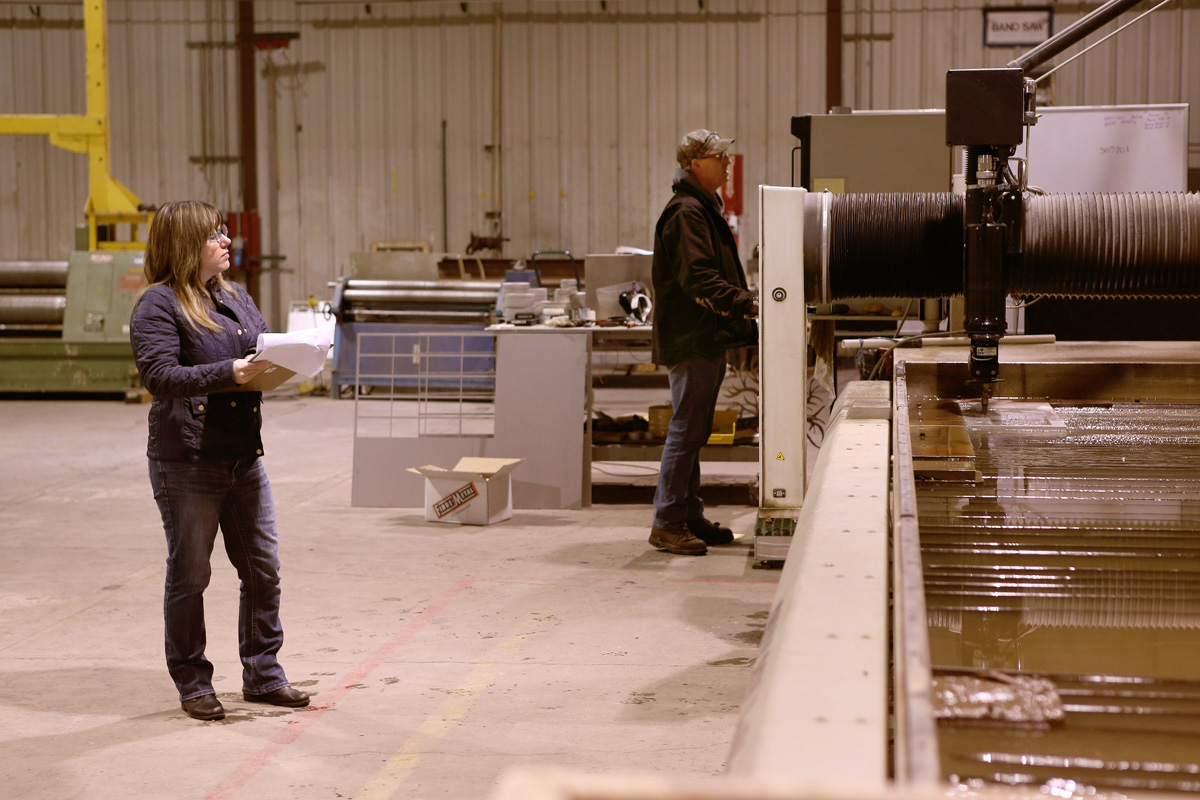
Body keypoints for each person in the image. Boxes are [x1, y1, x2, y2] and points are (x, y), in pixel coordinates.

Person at [129, 200, 309, 721]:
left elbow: (260, 350)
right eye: (215, 235)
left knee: (263, 570)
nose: (227, 241)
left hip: (241, 455)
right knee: (191, 575)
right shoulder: (157, 305)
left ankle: (264, 674)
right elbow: (160, 378)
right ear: (185, 244)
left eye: (225, 232)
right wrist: (230, 371)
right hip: (187, 459)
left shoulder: (235, 296)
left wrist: (292, 356)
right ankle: (192, 682)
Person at [649, 130, 758, 556]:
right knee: (685, 429)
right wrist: (746, 303)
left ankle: (688, 514)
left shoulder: (702, 208)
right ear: (696, 164)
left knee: (693, 431)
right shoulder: (686, 213)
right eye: (720, 156)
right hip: (692, 336)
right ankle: (668, 521)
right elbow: (697, 278)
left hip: (704, 336)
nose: (728, 163)